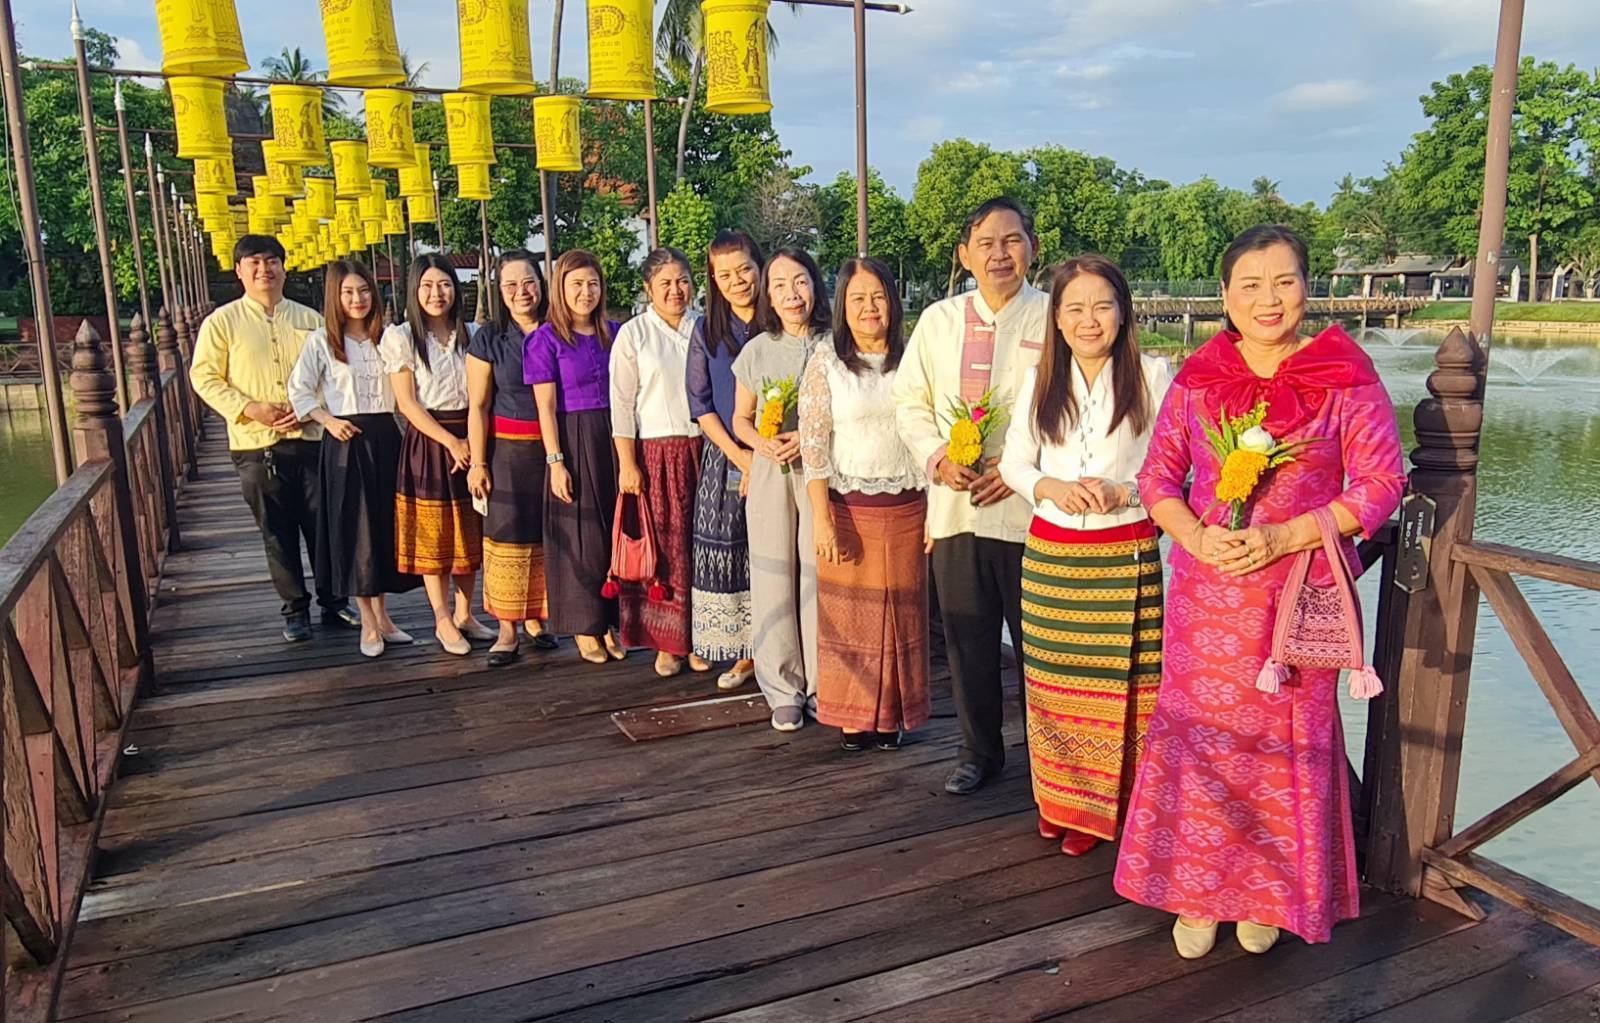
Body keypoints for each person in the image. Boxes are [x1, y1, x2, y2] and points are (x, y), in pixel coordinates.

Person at [1113, 225, 1405, 958]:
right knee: (1202, 744)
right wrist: (1193, 534)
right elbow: (1157, 479)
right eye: (1250, 284)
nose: (1268, 299)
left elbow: (1381, 484)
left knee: (1279, 749)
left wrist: (1286, 535)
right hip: (1206, 593)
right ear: (1224, 296)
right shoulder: (1200, 374)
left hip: (1293, 598)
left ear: (1308, 286)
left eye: (1284, 281)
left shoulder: (1345, 372)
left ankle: (1266, 894)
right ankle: (1196, 892)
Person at [998, 254, 1171, 856]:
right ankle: (1058, 801)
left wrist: (1125, 491)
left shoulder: (1153, 376)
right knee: (1052, 686)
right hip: (1053, 556)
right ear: (1058, 317)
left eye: (1102, 305)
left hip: (1124, 552)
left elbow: (1175, 471)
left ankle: (1114, 811)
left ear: (1122, 313)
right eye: (1074, 308)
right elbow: (1014, 464)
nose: (1088, 320)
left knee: (1122, 691)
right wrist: (1051, 487)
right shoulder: (1040, 380)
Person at [892, 197, 1050, 793]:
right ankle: (979, 753)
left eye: (1011, 240)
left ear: (1032, 247)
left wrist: (1018, 468)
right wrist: (937, 457)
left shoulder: (1055, 317)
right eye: (985, 244)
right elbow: (909, 404)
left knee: (1038, 643)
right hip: (956, 508)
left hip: (1032, 511)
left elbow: (1070, 407)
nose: (999, 254)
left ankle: (1052, 762)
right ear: (964, 256)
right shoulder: (939, 321)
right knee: (968, 640)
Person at [190, 234, 358, 642]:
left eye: (271, 261)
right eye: (254, 263)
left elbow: (332, 374)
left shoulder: (310, 320)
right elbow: (204, 377)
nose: (264, 270)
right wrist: (251, 408)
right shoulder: (222, 323)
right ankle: (295, 609)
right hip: (256, 444)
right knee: (276, 531)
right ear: (239, 272)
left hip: (312, 437)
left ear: (284, 268)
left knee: (324, 524)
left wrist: (308, 412)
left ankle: (334, 601)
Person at [801, 257, 928, 751]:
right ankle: (852, 717)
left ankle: (893, 714)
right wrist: (822, 519)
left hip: (907, 505)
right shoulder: (826, 361)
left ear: (892, 302)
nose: (869, 308)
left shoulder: (915, 359)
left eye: (877, 296)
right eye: (857, 299)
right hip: (848, 507)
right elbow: (813, 446)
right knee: (852, 617)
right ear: (842, 308)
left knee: (901, 615)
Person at [287, 259, 417, 657]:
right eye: (348, 293)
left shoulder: (390, 338)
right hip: (345, 440)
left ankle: (385, 616)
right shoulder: (322, 342)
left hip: (386, 437)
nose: (358, 299)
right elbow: (300, 391)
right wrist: (327, 420)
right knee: (354, 529)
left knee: (384, 527)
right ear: (335, 298)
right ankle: (368, 621)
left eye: (363, 291)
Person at [730, 248, 832, 732]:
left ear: (815, 285)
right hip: (772, 472)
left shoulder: (837, 345)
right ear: (768, 295)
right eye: (779, 285)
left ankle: (821, 683)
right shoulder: (758, 349)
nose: (792, 294)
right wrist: (763, 445)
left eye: (800, 282)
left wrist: (811, 439)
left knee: (817, 573)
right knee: (773, 575)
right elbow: (740, 420)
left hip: (822, 474)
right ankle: (782, 686)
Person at [380, 254, 491, 657]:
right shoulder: (402, 337)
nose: (436, 293)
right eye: (427, 286)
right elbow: (407, 404)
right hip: (430, 441)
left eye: (444, 284)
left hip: (473, 433)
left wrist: (471, 446)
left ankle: (466, 612)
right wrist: (450, 442)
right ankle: (441, 617)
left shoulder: (473, 334)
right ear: (414, 291)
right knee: (435, 532)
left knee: (470, 526)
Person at [610, 248, 709, 677]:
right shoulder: (634, 334)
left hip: (704, 449)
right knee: (664, 548)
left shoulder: (704, 328)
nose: (675, 290)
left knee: (700, 545)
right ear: (648, 288)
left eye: (682, 280)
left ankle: (700, 637)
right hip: (654, 453)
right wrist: (627, 463)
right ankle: (666, 644)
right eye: (665, 283)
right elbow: (621, 403)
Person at [526, 250, 625, 664]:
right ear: (560, 290)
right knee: (581, 534)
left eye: (592, 284)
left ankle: (612, 621)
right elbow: (545, 407)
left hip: (614, 435)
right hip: (572, 436)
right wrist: (556, 461)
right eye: (576, 285)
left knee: (613, 533)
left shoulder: (616, 332)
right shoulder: (545, 339)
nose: (586, 293)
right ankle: (586, 627)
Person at [466, 250, 558, 668]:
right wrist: (478, 462)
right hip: (506, 451)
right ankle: (507, 628)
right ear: (499, 291)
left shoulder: (559, 329)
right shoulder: (488, 337)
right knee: (506, 537)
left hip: (556, 449)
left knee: (547, 534)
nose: (522, 292)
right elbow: (478, 405)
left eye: (529, 282)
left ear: (541, 284)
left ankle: (538, 618)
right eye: (511, 285)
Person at [686, 230, 763, 691]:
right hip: (726, 456)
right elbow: (700, 403)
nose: (738, 281)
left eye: (744, 270)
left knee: (775, 554)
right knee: (732, 550)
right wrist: (740, 456)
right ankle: (743, 652)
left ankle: (783, 653)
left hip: (782, 454)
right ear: (713, 280)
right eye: (725, 274)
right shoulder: (706, 330)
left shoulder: (780, 321)